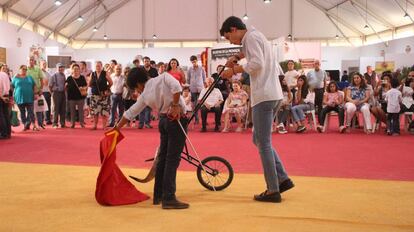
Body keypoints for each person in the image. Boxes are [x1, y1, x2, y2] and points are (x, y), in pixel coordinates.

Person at [219, 16, 294, 203]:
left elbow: (256, 63)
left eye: (229, 37)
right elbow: (249, 53)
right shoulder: (254, 35)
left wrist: (235, 70)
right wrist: (236, 57)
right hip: (272, 94)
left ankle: (273, 189)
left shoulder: (251, 38)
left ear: (234, 29)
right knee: (259, 139)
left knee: (264, 143)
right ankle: (282, 179)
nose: (230, 41)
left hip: (264, 95)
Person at [113, 68, 189, 209]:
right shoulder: (164, 77)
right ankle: (169, 198)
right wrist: (175, 105)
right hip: (176, 121)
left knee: (163, 159)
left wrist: (116, 128)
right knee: (172, 160)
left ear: (139, 84)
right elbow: (177, 87)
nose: (137, 91)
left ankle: (158, 195)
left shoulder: (144, 95)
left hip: (164, 122)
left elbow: (130, 113)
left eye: (136, 88)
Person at [12, 65, 38, 131]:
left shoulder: (29, 77)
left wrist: (35, 94)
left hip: (29, 97)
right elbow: (11, 87)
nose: (25, 70)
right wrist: (11, 96)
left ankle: (34, 125)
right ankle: (25, 124)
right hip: (19, 97)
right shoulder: (15, 78)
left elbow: (34, 85)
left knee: (31, 112)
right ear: (20, 69)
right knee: (22, 112)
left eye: (26, 69)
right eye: (23, 69)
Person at [88, 61, 113, 130]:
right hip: (94, 96)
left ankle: (104, 126)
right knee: (95, 111)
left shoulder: (105, 73)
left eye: (99, 66)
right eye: (96, 66)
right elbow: (89, 84)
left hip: (103, 96)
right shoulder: (92, 74)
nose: (97, 67)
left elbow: (111, 82)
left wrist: (107, 89)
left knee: (104, 112)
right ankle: (95, 125)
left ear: (101, 66)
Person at [138, 57, 159, 129]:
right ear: (143, 62)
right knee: (141, 108)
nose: (146, 62)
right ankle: (140, 124)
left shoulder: (154, 70)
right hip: (142, 91)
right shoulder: (140, 70)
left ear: (150, 62)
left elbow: (157, 80)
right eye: (145, 61)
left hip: (151, 91)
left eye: (148, 61)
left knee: (148, 108)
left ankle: (147, 123)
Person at [66, 64, 87, 128]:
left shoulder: (82, 77)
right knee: (72, 111)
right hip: (71, 97)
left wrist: (83, 88)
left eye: (77, 69)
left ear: (79, 70)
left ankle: (81, 123)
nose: (76, 70)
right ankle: (73, 123)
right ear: (72, 70)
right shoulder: (69, 78)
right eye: (74, 69)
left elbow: (86, 86)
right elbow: (66, 87)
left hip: (80, 97)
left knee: (81, 111)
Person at [187, 55, 206, 124]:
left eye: (194, 61)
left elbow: (204, 78)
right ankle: (196, 119)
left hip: (201, 88)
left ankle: (204, 119)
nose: (193, 63)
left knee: (202, 104)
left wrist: (205, 86)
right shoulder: (189, 69)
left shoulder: (202, 68)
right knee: (194, 105)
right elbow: (188, 79)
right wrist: (189, 86)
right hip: (193, 88)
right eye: (192, 62)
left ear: (197, 61)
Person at [49, 63, 67, 128]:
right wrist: (52, 93)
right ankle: (54, 124)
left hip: (63, 93)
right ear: (57, 68)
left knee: (63, 109)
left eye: (62, 67)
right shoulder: (53, 76)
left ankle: (62, 123)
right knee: (56, 109)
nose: (61, 69)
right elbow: (50, 86)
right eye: (59, 67)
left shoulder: (64, 75)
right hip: (56, 93)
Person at [40, 60, 52, 125]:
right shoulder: (39, 73)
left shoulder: (48, 73)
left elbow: (50, 82)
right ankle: (41, 121)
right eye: (43, 64)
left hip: (47, 92)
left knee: (48, 106)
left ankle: (48, 120)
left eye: (45, 64)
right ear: (40, 64)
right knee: (41, 106)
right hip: (41, 92)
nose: (44, 65)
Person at [0, 67, 11, 139]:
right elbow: (9, 86)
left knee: (1, 116)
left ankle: (4, 133)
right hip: (6, 94)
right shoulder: (5, 75)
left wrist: (1, 97)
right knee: (6, 114)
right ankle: (8, 133)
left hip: (1, 96)